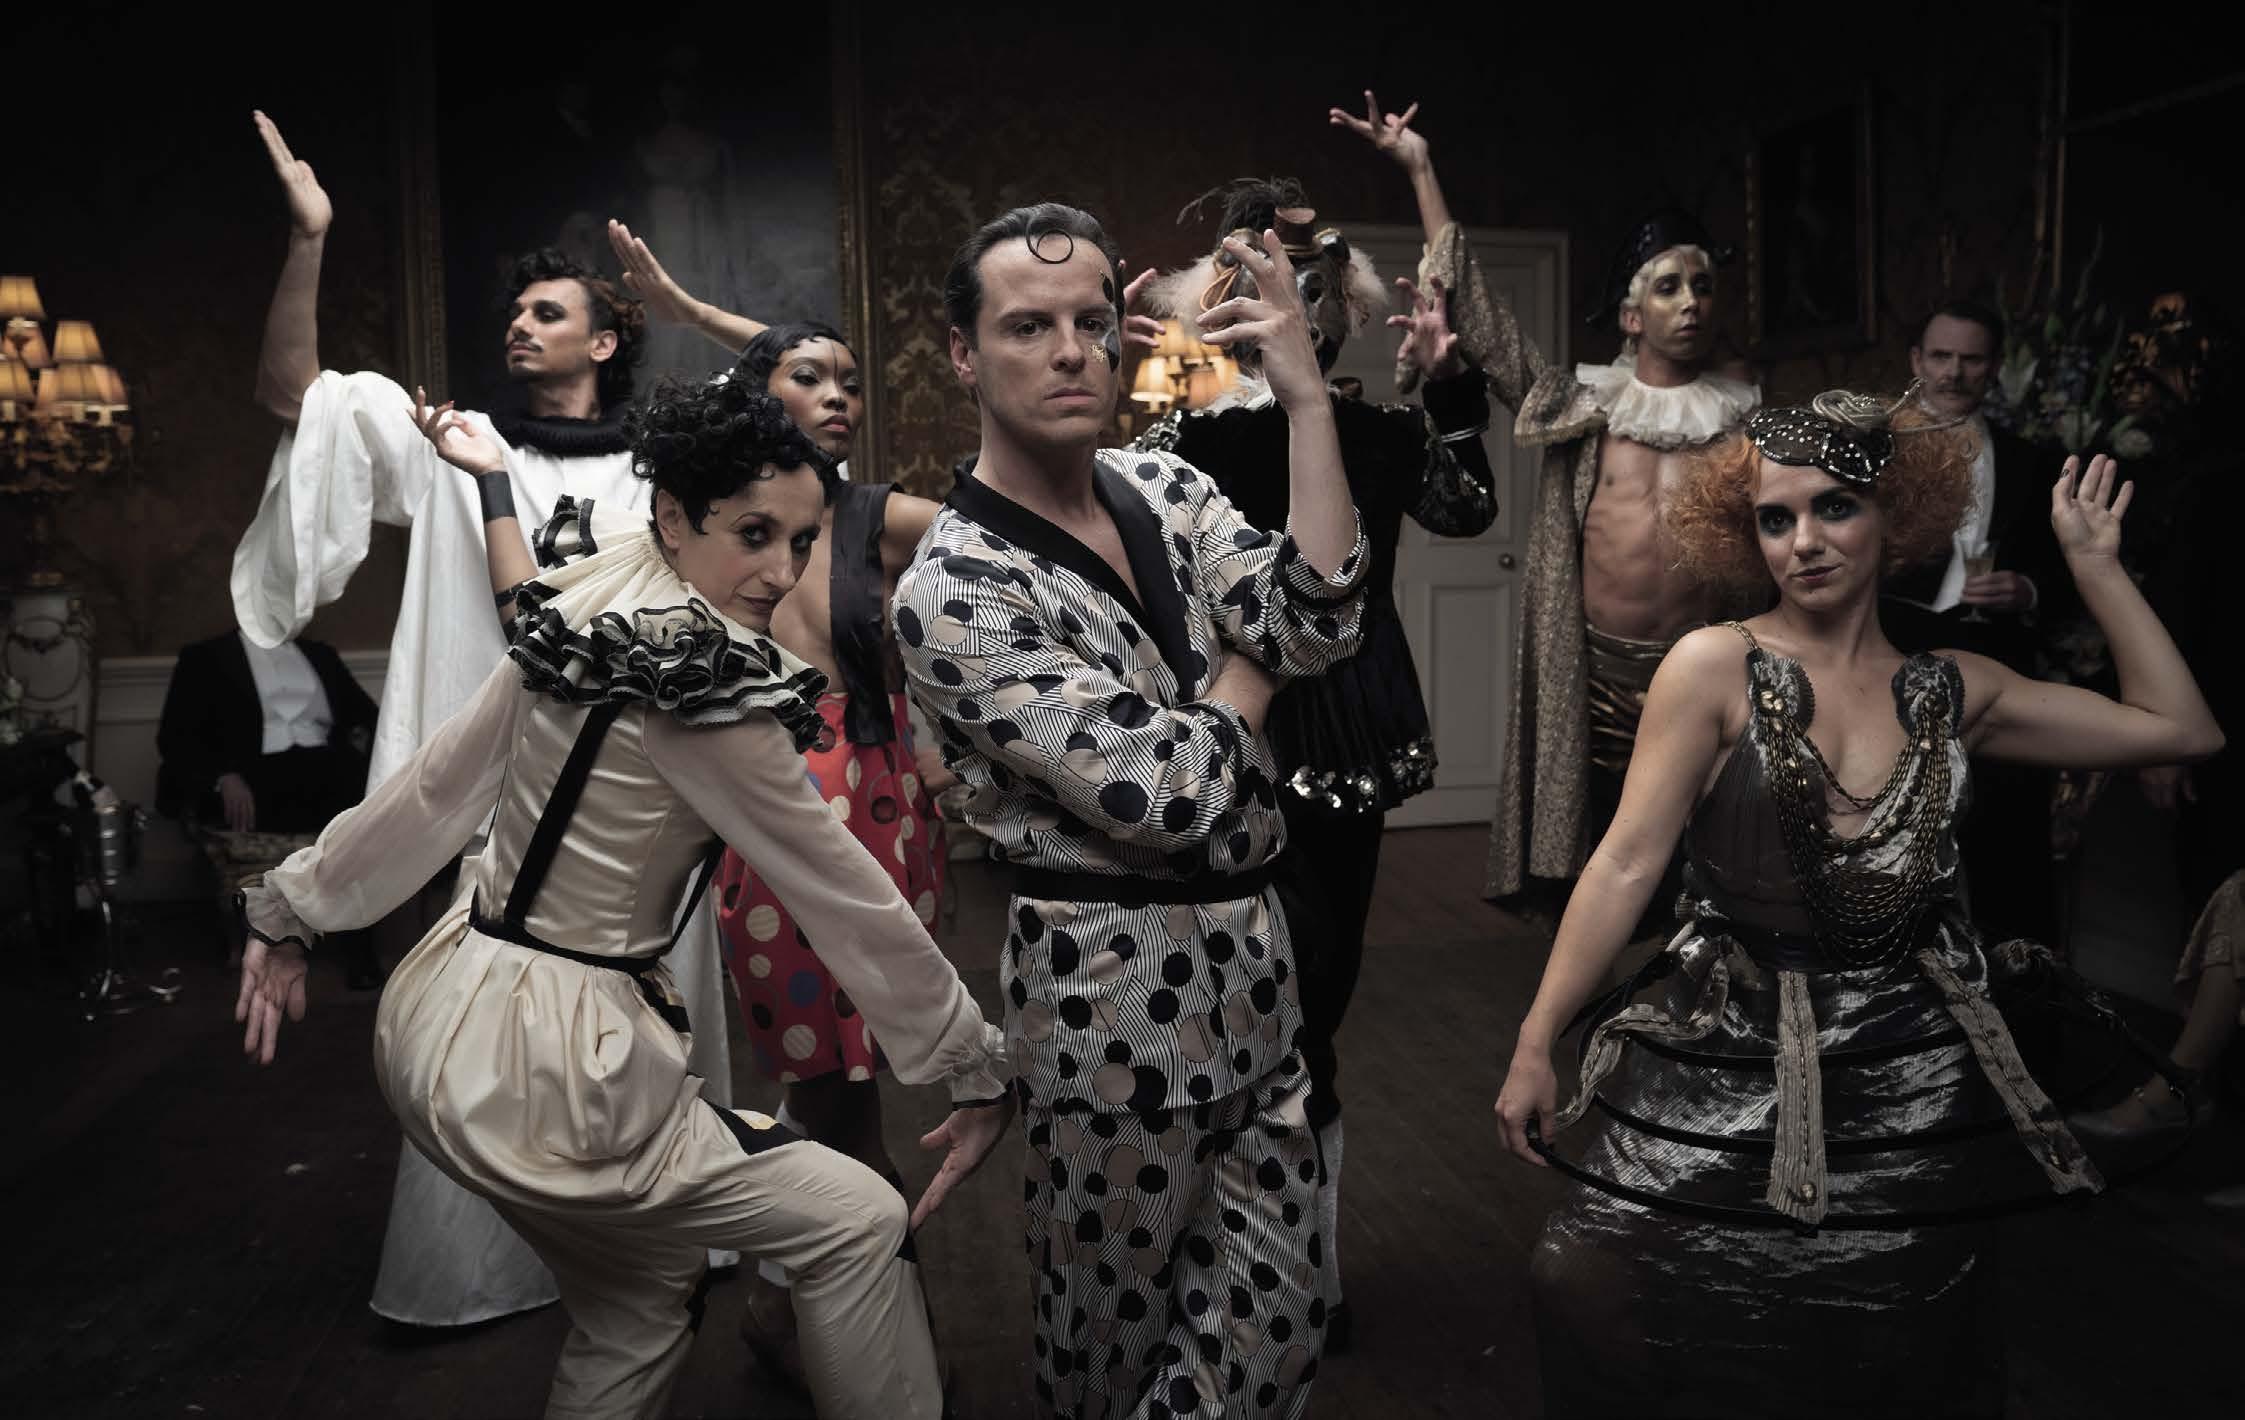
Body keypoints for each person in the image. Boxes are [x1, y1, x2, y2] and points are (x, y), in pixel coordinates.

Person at [232, 378, 1011, 1420]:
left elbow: (436, 790)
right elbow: (842, 892)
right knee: (860, 1215)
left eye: (800, 541)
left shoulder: (583, 609)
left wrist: (290, 908)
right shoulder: (712, 696)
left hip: (438, 1022)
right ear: (673, 517)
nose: (781, 572)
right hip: (557, 1073)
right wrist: (973, 1064)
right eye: (752, 534)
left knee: (639, 1299)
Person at [1490, 392, 2222, 1416]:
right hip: (1730, 1037)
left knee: (1889, 1323)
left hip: (1907, 1063)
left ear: (1895, 516)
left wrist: (2095, 567)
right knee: (1587, 1272)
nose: (1802, 541)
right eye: (1774, 518)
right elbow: (1623, 863)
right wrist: (1537, 1038)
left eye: (1834, 506)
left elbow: (2181, 729)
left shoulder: (1957, 687)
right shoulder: (1712, 666)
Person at [234, 111, 762, 1327]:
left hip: (640, 795)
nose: (518, 324)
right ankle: (480, 1275)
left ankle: (652, 1250)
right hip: (492, 795)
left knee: (647, 1024)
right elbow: (290, 395)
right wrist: (309, 239)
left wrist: (686, 306)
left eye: (547, 312)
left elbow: (803, 375)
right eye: (514, 311)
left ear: (605, 338)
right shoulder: (449, 446)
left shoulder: (665, 471)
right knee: (483, 1038)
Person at [896, 202, 1366, 1417]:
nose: (1071, 350)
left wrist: (1306, 404)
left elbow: (1319, 615)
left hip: (1258, 974)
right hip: (1111, 1003)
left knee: (1281, 1322)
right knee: (1107, 1350)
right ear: (962, 354)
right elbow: (1166, 788)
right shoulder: (953, 586)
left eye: (1093, 319)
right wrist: (1253, 672)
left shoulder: (1163, 481)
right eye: (1027, 326)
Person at [458, 320, 955, 1377]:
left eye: (849, 379)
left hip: (882, 814)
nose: (837, 396)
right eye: (806, 376)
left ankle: (798, 1313)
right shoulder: (677, 617)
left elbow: (996, 549)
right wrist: (979, 1060)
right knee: (834, 1108)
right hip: (775, 824)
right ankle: (849, 1335)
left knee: (843, 1100)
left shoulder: (864, 518)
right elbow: (527, 630)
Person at [1134, 175, 1498, 1349]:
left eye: (1307, 286)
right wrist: (1148, 365)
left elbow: (1466, 507)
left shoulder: (1369, 434)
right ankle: (1239, 1263)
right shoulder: (1182, 433)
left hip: (1321, 736)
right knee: (1235, 1005)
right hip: (1228, 732)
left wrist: (1447, 391)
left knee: (1297, 1005)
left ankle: (1299, 1273)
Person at [1333, 94, 1762, 918]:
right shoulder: (1580, 407)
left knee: (1712, 864)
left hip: (1711, 673)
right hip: (1594, 676)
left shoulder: (1747, 423)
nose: (1690, 301)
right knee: (1600, 866)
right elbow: (1484, 321)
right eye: (1668, 286)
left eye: (1703, 286)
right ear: (1631, 315)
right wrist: (1420, 169)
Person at [1883, 301, 2074, 945]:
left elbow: (2067, 572)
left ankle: (2020, 991)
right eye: (1941, 356)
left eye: (1971, 359)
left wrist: (2029, 589)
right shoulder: (1878, 450)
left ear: (1993, 368)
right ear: (1917, 360)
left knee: (2009, 845)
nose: (1954, 372)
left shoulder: (2033, 461)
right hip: (1893, 655)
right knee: (1894, 836)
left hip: (2000, 662)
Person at [156, 628, 383, 986]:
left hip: (325, 769)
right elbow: (175, 737)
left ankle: (361, 948)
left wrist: (364, 746)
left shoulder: (320, 654)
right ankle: (270, 942)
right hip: (254, 780)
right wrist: (222, 777)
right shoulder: (206, 657)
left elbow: (369, 715)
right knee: (340, 814)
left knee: (362, 821)